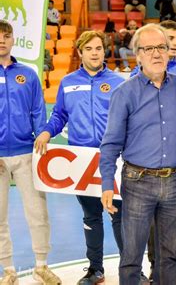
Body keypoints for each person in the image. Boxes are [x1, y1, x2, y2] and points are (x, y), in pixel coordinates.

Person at [100, 23, 176, 285]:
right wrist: (107, 183)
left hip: (175, 182)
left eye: (161, 47)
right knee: (131, 256)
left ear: (169, 51)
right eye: (148, 48)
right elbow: (110, 143)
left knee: (169, 256)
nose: (156, 54)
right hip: (137, 182)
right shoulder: (124, 93)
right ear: (137, 55)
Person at [34, 30, 127, 285]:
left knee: (119, 216)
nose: (95, 53)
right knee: (91, 216)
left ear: (104, 51)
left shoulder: (119, 82)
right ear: (80, 53)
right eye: (89, 49)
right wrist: (45, 132)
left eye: (98, 48)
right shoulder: (68, 82)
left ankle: (131, 270)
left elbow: (129, 117)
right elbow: (59, 117)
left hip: (113, 159)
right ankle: (95, 269)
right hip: (81, 160)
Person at [0, 19, 62, 285]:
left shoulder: (28, 74)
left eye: (7, 35)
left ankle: (41, 266)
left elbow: (38, 110)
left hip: (27, 153)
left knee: (38, 212)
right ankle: (8, 270)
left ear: (14, 39)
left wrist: (42, 140)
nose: (2, 40)